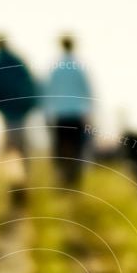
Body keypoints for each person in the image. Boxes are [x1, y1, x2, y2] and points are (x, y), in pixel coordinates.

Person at [0, 35, 38, 190]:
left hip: (7, 116)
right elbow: (30, 83)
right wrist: (28, 105)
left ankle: (11, 184)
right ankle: (24, 182)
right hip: (21, 114)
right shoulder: (18, 61)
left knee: (8, 150)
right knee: (22, 150)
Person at [42, 35, 93, 188]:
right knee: (77, 150)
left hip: (59, 116)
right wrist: (89, 114)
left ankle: (62, 181)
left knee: (61, 150)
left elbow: (47, 93)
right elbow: (87, 93)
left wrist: (47, 115)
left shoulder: (54, 68)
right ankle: (75, 183)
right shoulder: (79, 68)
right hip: (77, 116)